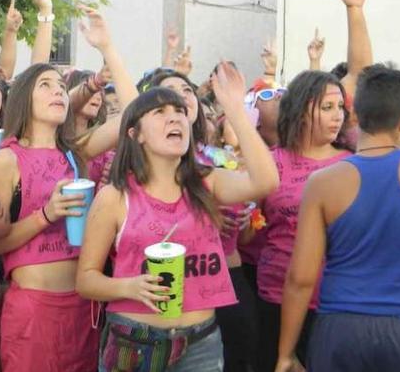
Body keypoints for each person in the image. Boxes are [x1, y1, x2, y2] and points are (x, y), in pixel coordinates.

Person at [77, 63, 279, 372]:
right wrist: (129, 287)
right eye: (159, 112)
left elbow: (265, 182)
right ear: (136, 134)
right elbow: (86, 279)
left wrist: (236, 111)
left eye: (180, 111)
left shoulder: (207, 182)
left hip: (201, 343)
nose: (175, 116)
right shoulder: (115, 197)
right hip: (134, 342)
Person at [0, 7, 136, 372]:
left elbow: (135, 113)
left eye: (60, 87)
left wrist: (108, 48)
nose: (58, 93)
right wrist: (47, 214)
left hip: (83, 307)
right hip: (33, 309)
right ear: (24, 99)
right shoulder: (7, 160)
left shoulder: (76, 152)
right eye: (45, 85)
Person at [276, 65, 400, 372]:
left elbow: (300, 279)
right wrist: (399, 135)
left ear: (355, 116)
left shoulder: (323, 183)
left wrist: (286, 354)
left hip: (340, 327)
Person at [255, 71, 352, 372]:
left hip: (333, 301)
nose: (337, 116)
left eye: (340, 108)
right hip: (276, 295)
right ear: (301, 109)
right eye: (327, 108)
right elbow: (247, 237)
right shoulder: (271, 161)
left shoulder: (351, 163)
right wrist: (242, 220)